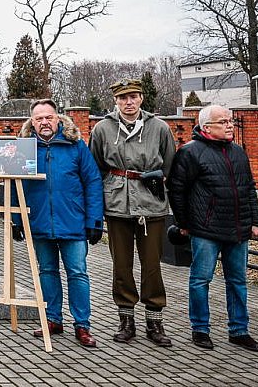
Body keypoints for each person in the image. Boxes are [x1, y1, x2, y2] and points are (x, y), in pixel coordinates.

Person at [169, 105, 258, 352]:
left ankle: (239, 330)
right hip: (205, 229)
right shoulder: (190, 153)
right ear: (206, 127)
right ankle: (200, 329)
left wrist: (257, 220)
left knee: (238, 281)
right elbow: (177, 191)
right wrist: (184, 224)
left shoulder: (238, 152)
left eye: (230, 120)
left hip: (238, 228)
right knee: (201, 280)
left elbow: (249, 187)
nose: (229, 125)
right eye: (222, 121)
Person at [89, 78, 176, 347]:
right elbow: (96, 167)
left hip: (151, 204)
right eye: (123, 98)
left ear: (141, 98)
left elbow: (170, 164)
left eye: (134, 97)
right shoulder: (103, 129)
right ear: (115, 100)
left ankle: (155, 320)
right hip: (117, 205)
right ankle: (126, 319)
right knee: (121, 266)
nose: (129, 102)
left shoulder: (159, 128)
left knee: (152, 265)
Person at [14, 99, 104, 347]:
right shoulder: (24, 149)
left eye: (48, 117)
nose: (44, 122)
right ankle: (53, 319)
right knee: (47, 272)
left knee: (77, 273)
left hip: (72, 222)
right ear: (32, 122)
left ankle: (82, 325)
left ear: (57, 119)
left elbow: (93, 182)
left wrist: (95, 220)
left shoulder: (75, 146)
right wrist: (15, 220)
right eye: (39, 118)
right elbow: (14, 183)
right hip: (39, 221)